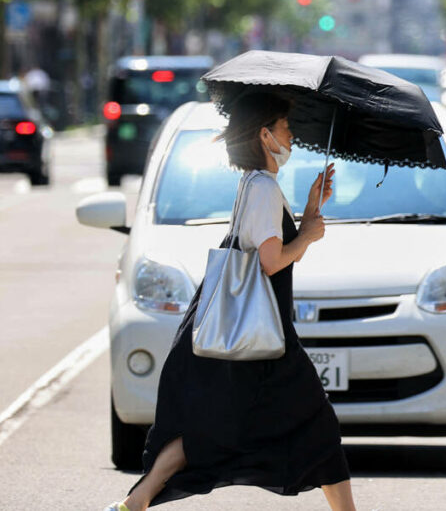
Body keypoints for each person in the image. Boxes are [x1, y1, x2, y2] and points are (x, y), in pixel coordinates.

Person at [106, 92, 355, 511]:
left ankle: (136, 503)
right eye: (285, 127)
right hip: (263, 336)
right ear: (264, 134)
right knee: (319, 426)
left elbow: (263, 256)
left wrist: (311, 211)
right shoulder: (263, 188)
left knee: (208, 429)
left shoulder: (256, 185)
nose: (291, 136)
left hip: (247, 330)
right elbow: (272, 263)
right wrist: (309, 233)